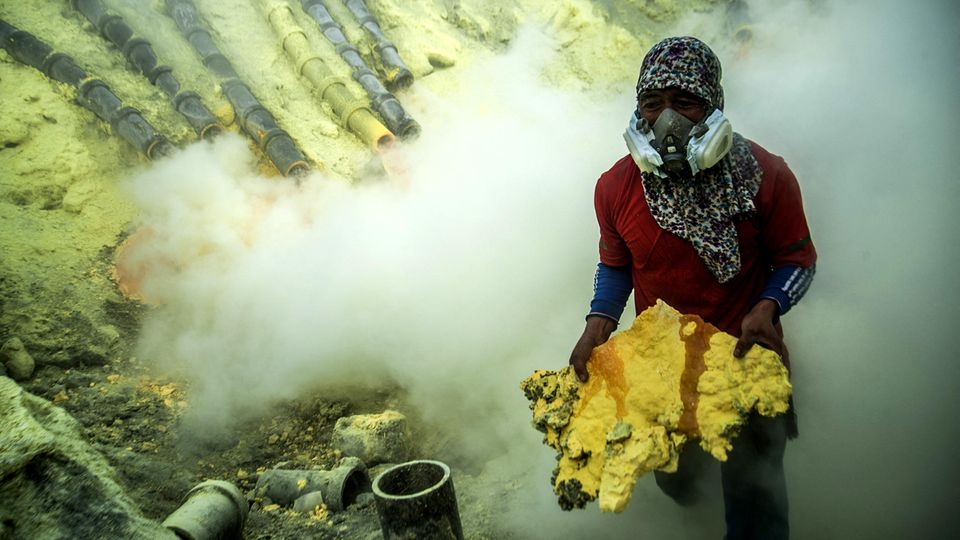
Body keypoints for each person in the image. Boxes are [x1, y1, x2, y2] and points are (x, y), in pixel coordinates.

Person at [567, 37, 817, 539]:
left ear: (714, 107)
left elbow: (797, 259)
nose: (666, 121)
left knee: (755, 509)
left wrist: (769, 306)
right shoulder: (615, 187)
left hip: (744, 362)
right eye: (651, 103)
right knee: (679, 482)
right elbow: (616, 266)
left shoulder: (765, 175)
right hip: (664, 373)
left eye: (684, 102)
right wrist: (599, 323)